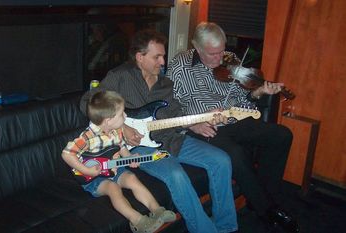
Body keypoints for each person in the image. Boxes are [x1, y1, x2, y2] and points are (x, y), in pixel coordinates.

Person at [80, 29, 238, 233]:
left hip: (169, 139)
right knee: (176, 174)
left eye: (163, 56)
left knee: (221, 160)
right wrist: (123, 127)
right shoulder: (119, 76)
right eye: (157, 57)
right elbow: (87, 102)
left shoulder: (165, 84)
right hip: (137, 147)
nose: (163, 62)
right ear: (140, 57)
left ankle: (226, 227)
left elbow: (175, 115)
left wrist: (196, 122)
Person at [166, 22, 299, 233]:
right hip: (205, 126)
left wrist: (259, 92)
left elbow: (243, 97)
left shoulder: (230, 60)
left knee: (281, 135)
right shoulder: (180, 66)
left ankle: (263, 198)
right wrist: (194, 123)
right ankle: (269, 211)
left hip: (234, 118)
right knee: (234, 154)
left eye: (222, 51)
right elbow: (170, 106)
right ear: (197, 48)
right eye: (213, 54)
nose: (220, 58)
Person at [62, 90, 176, 233]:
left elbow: (121, 147)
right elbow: (67, 154)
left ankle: (157, 210)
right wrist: (86, 170)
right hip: (93, 178)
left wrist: (129, 158)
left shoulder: (117, 130)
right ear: (108, 120)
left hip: (113, 168)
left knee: (132, 178)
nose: (126, 115)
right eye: (122, 113)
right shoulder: (87, 137)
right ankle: (138, 221)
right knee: (113, 188)